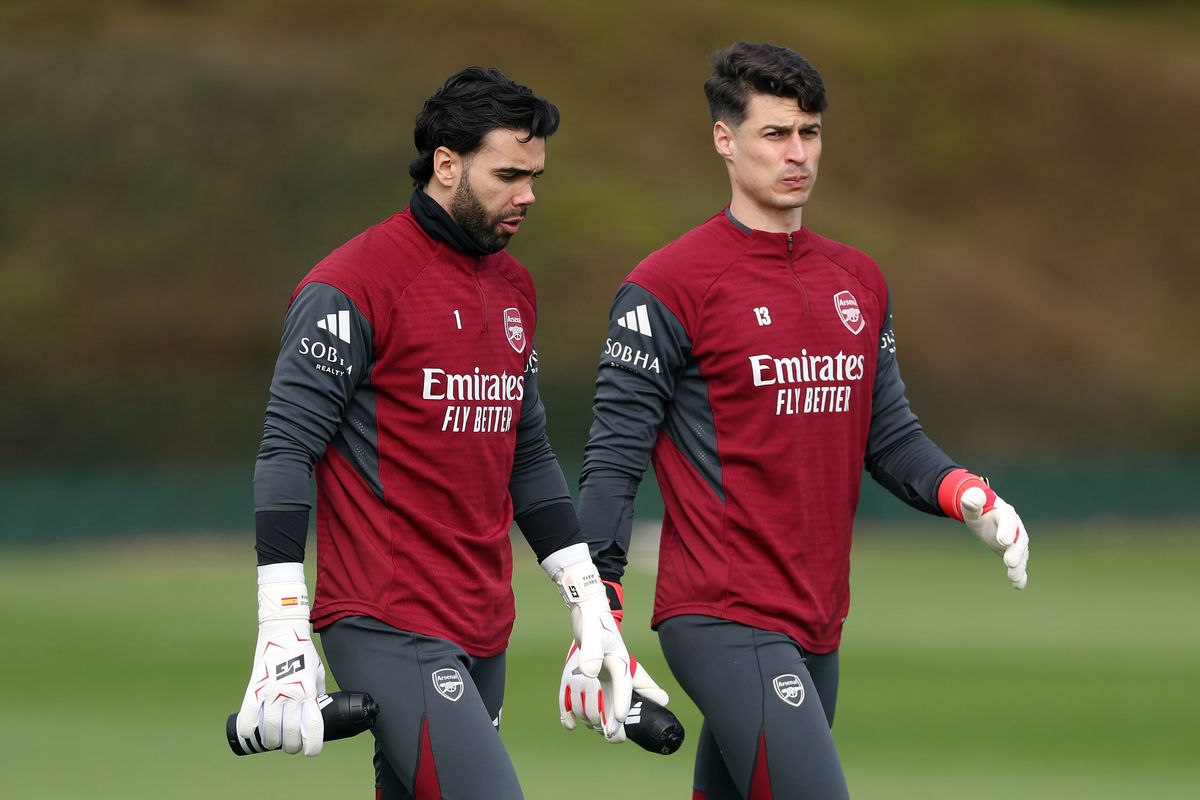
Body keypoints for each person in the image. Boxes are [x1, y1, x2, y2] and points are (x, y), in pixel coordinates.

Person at [561, 42, 1031, 798]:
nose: (797, 153)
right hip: (720, 613)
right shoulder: (666, 286)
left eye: (809, 132)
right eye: (775, 134)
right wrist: (599, 606)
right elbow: (613, 463)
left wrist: (966, 494)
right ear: (725, 138)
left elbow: (889, 436)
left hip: (818, 620)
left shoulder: (858, 278)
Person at [233, 67, 633, 800]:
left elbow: (529, 452)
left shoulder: (514, 286)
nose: (528, 195)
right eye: (508, 175)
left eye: (535, 175)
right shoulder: (351, 284)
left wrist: (587, 601)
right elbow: (287, 451)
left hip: (484, 625)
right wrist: (281, 623)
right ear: (446, 163)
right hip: (388, 621)